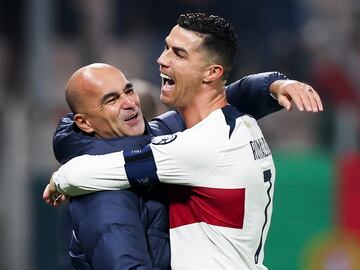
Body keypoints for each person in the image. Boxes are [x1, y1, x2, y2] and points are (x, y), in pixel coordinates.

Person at [44, 13, 323, 270]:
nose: (162, 60)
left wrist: (61, 179)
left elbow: (102, 170)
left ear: (211, 73)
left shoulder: (197, 146)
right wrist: (274, 85)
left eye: (178, 54)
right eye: (166, 47)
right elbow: (234, 96)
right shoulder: (239, 124)